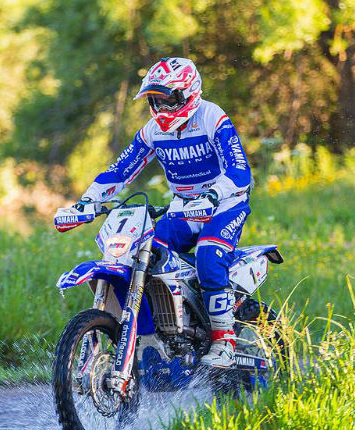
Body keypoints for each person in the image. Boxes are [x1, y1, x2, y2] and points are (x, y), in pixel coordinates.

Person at [58, 57, 252, 368]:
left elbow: (240, 170)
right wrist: (85, 202)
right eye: (155, 101)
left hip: (225, 205)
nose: (162, 108)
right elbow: (120, 170)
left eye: (168, 99)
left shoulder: (211, 117)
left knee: (208, 254)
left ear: (190, 93)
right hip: (183, 208)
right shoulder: (152, 131)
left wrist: (215, 194)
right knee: (143, 254)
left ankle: (223, 340)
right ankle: (160, 336)